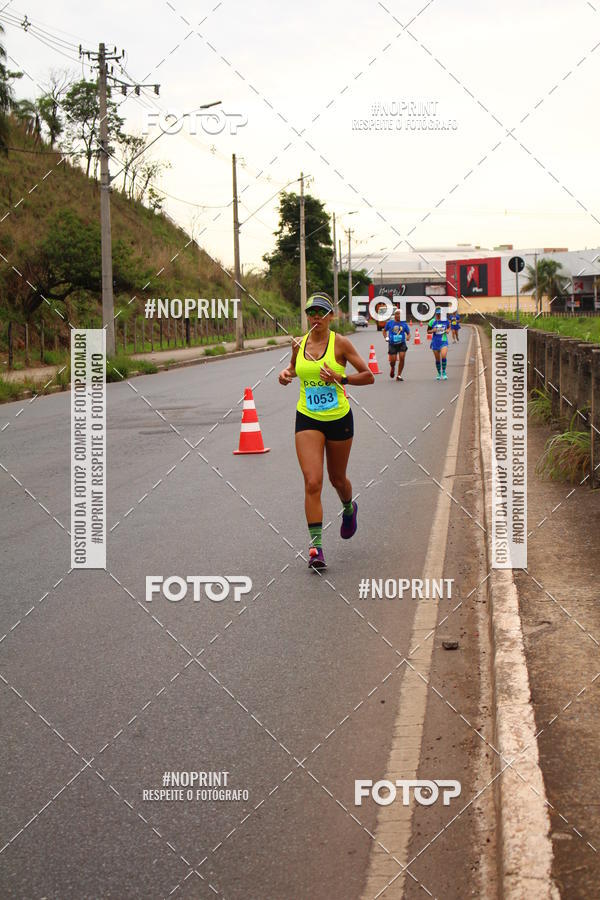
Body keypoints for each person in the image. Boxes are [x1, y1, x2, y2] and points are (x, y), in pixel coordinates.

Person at [278, 292, 374, 569]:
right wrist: (285, 375)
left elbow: (368, 376)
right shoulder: (299, 343)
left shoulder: (341, 344)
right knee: (312, 481)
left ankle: (348, 508)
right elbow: (293, 370)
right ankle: (316, 548)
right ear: (307, 316)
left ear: (331, 316)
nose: (316, 317)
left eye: (322, 312)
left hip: (338, 418)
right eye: (312, 312)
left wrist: (340, 377)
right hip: (307, 417)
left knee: (337, 479)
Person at [383, 308, 410, 380]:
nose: (399, 315)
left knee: (402, 357)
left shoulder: (404, 324)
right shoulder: (390, 323)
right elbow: (384, 331)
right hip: (392, 344)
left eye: (400, 314)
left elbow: (408, 333)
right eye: (397, 314)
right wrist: (386, 338)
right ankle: (392, 368)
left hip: (402, 344)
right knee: (393, 361)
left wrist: (408, 337)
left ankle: (399, 375)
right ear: (395, 315)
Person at [427, 307, 450, 380]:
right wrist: (432, 330)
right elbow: (428, 331)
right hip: (435, 342)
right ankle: (439, 373)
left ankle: (444, 372)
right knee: (437, 359)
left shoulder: (445, 320)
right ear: (435, 314)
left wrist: (447, 330)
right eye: (438, 314)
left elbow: (449, 328)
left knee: (443, 356)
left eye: (440, 314)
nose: (439, 315)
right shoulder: (432, 321)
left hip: (443, 340)